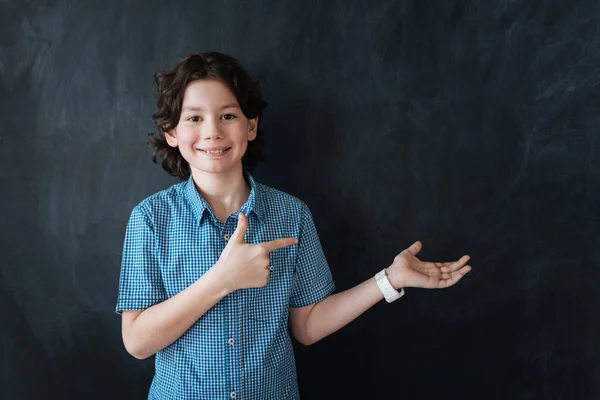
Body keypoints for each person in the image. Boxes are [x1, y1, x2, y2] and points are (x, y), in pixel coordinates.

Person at [115, 51, 472, 400]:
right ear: (171, 132)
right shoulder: (150, 219)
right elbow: (137, 342)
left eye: (227, 115)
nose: (212, 132)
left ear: (251, 125)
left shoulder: (291, 214)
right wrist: (221, 280)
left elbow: (307, 326)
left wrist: (389, 280)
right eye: (194, 118)